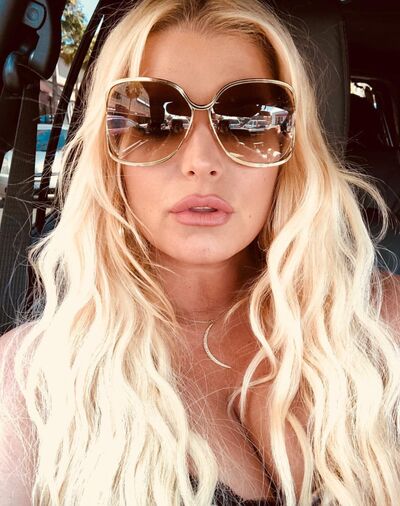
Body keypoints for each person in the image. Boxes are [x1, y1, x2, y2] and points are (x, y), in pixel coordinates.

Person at [1, 0, 400, 505]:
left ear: (291, 151)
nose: (201, 161)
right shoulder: (30, 381)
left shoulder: (380, 326)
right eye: (153, 120)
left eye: (248, 120)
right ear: (109, 154)